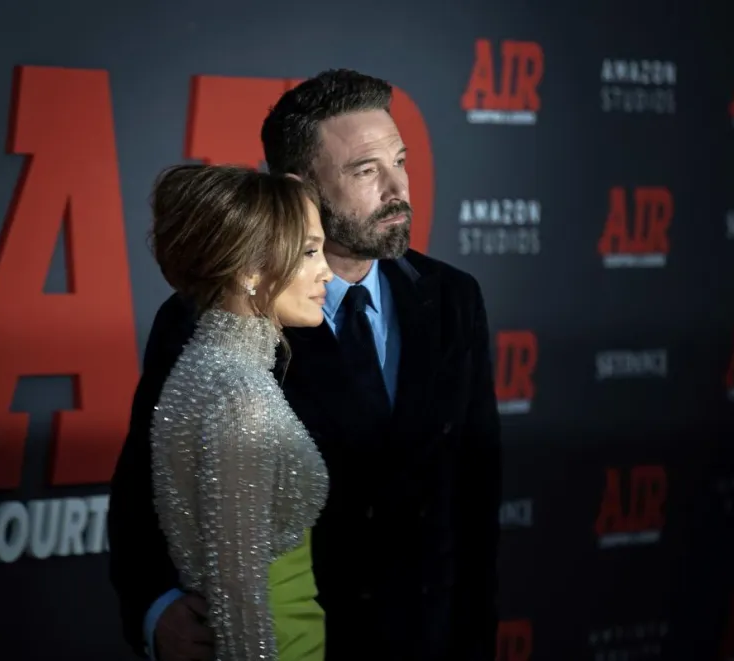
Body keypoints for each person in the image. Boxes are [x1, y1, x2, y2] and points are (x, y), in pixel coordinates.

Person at [109, 69, 501, 661]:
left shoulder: (452, 298)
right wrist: (156, 609)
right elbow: (148, 486)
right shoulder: (210, 317)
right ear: (302, 188)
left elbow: (475, 494)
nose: (398, 187)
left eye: (400, 161)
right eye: (366, 171)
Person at [145, 163, 334, 661]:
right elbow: (239, 601)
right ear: (250, 270)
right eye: (309, 252)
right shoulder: (240, 397)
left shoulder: (201, 369)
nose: (327, 271)